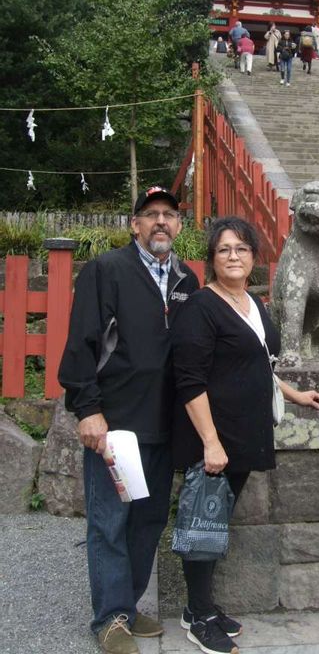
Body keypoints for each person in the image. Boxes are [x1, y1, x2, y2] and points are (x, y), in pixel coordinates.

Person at [171, 216, 319, 654]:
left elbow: (260, 363)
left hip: (243, 434)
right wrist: (210, 442)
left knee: (217, 520)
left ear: (254, 257)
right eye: (224, 249)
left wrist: (294, 394)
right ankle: (198, 615)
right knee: (202, 523)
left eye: (241, 248)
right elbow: (189, 381)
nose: (234, 256)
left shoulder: (253, 304)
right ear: (211, 259)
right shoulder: (200, 308)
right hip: (215, 438)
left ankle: (198, 606)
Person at [59, 187, 200, 654]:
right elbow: (83, 341)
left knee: (149, 520)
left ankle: (127, 604)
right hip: (115, 426)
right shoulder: (107, 271)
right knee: (109, 522)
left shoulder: (186, 280)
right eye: (151, 215)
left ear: (180, 226)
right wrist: (88, 409)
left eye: (169, 215)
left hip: (165, 424)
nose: (161, 222)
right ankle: (109, 620)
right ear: (134, 224)